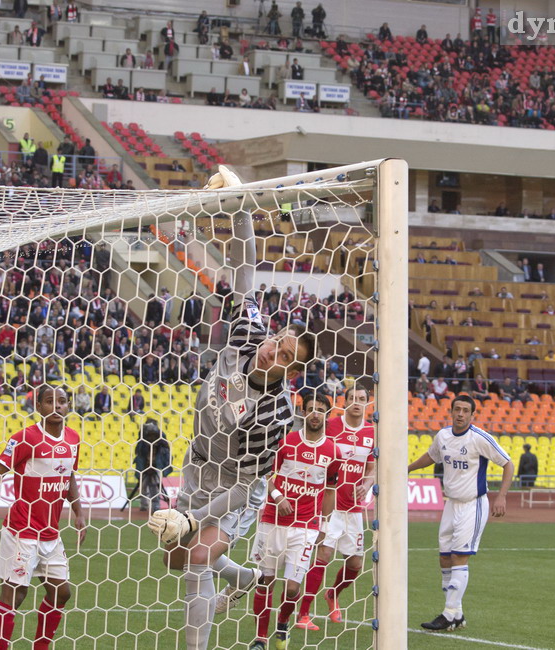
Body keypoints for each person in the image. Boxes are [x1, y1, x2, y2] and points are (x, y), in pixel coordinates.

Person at [146, 167, 318, 650]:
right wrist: (241, 202)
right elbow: (245, 270)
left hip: (236, 487)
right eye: (277, 343)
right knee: (175, 559)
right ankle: (242, 577)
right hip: (198, 465)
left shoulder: (275, 415)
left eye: (284, 356)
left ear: (291, 371)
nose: (272, 352)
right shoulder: (247, 336)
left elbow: (247, 487)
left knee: (196, 554)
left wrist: (196, 521)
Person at [0, 386, 85, 650]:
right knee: (15, 594)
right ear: (39, 406)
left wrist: (78, 511)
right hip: (21, 532)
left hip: (51, 533)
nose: (57, 406)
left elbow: (68, 474)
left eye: (62, 401)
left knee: (62, 593)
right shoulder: (26, 438)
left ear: (68, 406)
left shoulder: (73, 438)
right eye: (50, 401)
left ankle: (41, 646)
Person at [408, 395, 513, 631]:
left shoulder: (479, 438)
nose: (461, 414)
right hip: (451, 504)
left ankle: (448, 614)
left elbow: (508, 464)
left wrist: (502, 496)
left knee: (459, 557)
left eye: (466, 410)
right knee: (444, 557)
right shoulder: (443, 436)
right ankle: (457, 613)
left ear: (472, 415)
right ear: (451, 411)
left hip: (472, 504)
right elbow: (432, 456)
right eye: (457, 409)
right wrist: (407, 469)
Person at [249, 394, 341, 649]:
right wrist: (278, 497)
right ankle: (260, 638)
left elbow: (331, 490)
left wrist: (324, 524)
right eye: (311, 409)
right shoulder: (286, 443)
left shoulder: (333, 451)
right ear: (303, 412)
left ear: (327, 415)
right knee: (265, 581)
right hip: (272, 522)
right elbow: (266, 474)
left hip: (305, 528)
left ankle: (283, 622)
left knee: (291, 589)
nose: (315, 414)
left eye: (321, 410)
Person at [297, 384, 375, 630]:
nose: (356, 402)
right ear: (345, 401)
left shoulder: (372, 432)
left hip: (353, 507)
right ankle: (304, 614)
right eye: (352, 398)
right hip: (328, 505)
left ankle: (332, 594)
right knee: (323, 556)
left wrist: (368, 482)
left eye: (361, 399)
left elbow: (372, 468)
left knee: (355, 565)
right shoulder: (331, 427)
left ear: (367, 403)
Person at [134, 419, 172, 512]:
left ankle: (155, 506)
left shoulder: (161, 439)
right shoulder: (142, 439)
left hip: (156, 465)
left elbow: (166, 447)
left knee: (155, 486)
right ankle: (144, 505)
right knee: (143, 486)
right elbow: (138, 450)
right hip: (144, 465)